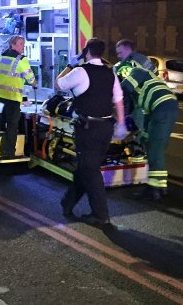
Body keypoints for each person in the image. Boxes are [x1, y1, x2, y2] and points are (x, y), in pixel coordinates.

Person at [57, 37, 127, 226]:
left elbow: (59, 84)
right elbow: (118, 99)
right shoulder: (110, 72)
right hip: (106, 127)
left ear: (86, 51)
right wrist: (121, 124)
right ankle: (68, 202)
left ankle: (101, 214)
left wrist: (69, 65)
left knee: (91, 170)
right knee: (86, 167)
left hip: (88, 129)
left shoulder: (80, 71)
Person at [120, 65, 179, 201]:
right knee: (156, 146)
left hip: (162, 108)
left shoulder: (137, 71)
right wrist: (144, 134)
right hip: (166, 108)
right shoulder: (145, 87)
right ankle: (161, 186)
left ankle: (152, 190)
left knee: (155, 149)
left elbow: (124, 88)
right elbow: (145, 114)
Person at [0, 35, 36, 158]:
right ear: (12, 45)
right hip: (11, 95)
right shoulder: (21, 60)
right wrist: (34, 84)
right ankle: (9, 151)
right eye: (20, 44)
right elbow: (30, 78)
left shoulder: (2, 58)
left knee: (9, 107)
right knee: (13, 124)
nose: (23, 47)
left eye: (23, 44)